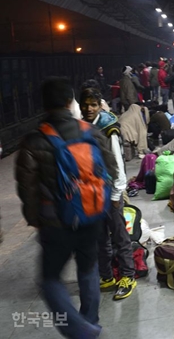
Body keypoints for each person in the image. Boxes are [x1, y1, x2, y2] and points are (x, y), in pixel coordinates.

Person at [16, 77, 118, 338]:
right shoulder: (90, 131)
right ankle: (90, 321)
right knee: (88, 269)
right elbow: (111, 169)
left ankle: (81, 330)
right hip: (91, 214)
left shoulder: (34, 141)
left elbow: (27, 187)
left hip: (55, 222)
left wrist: (34, 218)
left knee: (50, 279)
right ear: (70, 102)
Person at [79, 87, 136, 301]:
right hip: (91, 193)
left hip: (110, 191)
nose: (89, 108)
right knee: (100, 238)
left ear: (99, 104)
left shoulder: (108, 128)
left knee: (120, 236)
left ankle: (128, 276)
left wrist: (115, 196)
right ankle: (106, 276)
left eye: (93, 104)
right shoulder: (82, 127)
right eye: (85, 104)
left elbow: (117, 164)